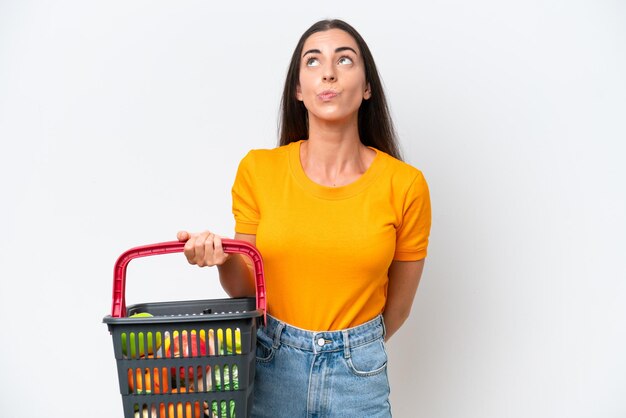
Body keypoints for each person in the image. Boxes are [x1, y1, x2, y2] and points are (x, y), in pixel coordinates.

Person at [177, 19, 431, 418]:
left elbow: (397, 310)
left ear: (367, 87)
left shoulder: (405, 185)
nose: (328, 71)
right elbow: (247, 290)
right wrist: (224, 260)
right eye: (313, 61)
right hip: (270, 366)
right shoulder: (259, 170)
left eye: (344, 60)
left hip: (358, 378)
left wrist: (354, 347)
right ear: (298, 89)